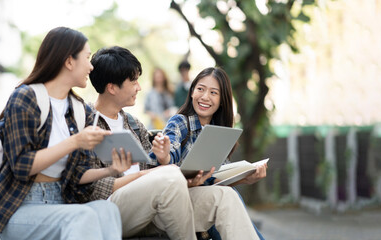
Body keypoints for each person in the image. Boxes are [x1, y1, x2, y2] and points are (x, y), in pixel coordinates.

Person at [88, 46, 260, 240]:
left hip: (156, 206)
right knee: (169, 173)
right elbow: (93, 188)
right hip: (114, 210)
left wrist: (179, 176)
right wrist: (154, 173)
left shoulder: (134, 125)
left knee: (225, 197)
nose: (139, 87)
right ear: (112, 87)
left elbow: (158, 174)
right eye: (133, 80)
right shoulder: (86, 123)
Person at [0, 27, 130, 240]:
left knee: (107, 211)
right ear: (69, 61)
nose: (91, 66)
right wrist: (75, 142)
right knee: (81, 217)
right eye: (87, 58)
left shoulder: (80, 110)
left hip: (62, 201)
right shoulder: (26, 97)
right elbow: (21, 165)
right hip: (21, 208)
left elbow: (78, 173)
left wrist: (111, 170)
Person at [150, 67, 267, 240]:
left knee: (229, 194)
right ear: (191, 92)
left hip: (203, 198)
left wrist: (246, 177)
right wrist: (163, 155)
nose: (205, 97)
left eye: (213, 92)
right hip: (176, 201)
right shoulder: (180, 122)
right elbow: (169, 154)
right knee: (226, 196)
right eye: (200, 89)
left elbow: (217, 176)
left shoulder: (219, 132)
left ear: (222, 100)